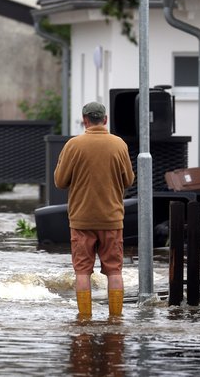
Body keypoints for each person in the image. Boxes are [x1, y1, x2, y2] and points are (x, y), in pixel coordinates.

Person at [54, 101, 135, 317]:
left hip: (81, 221)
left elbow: (60, 182)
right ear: (105, 120)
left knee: (82, 273)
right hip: (111, 219)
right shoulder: (119, 145)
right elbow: (129, 180)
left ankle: (85, 318)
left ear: (85, 120)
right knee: (115, 272)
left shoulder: (73, 145)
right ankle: (116, 318)